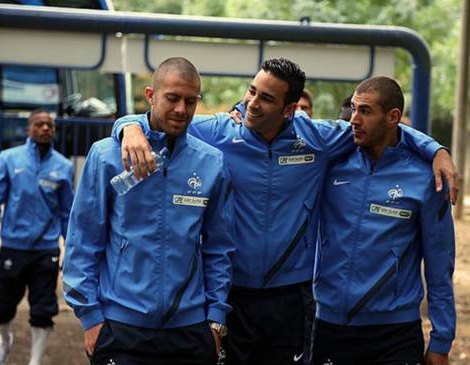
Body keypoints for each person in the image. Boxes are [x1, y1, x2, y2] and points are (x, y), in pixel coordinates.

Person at [112, 58, 457, 365]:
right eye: (252, 91)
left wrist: (436, 149)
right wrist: (128, 126)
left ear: (289, 109)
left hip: (291, 298)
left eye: (266, 98)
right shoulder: (219, 132)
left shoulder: (317, 139)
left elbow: (381, 125)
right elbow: (161, 115)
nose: (251, 103)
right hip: (232, 292)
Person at [62, 57, 235, 365]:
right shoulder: (107, 156)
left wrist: (216, 318)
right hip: (121, 327)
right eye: (172, 98)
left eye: (191, 101)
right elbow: (83, 241)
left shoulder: (211, 163)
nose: (181, 109)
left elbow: (218, 248)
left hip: (189, 330)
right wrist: (90, 317)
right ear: (151, 95)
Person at [312, 76, 455, 365]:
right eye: (353, 109)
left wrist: (441, 339)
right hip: (329, 326)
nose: (354, 119)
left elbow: (440, 267)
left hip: (394, 333)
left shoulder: (426, 179)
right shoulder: (331, 162)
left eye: (365, 111)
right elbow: (285, 126)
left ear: (393, 117)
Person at [0, 109, 74, 365]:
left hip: (46, 250)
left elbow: (66, 213)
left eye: (49, 125)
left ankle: (35, 361)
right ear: (29, 129)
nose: (45, 128)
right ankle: (5, 340)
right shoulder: (8, 159)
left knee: (43, 310)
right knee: (1, 309)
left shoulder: (63, 166)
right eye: (39, 124)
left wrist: (70, 250)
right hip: (13, 247)